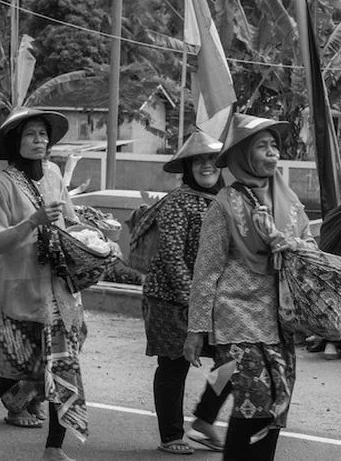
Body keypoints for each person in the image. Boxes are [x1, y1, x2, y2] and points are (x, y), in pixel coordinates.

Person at [0, 107, 87, 461]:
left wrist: (91, 235)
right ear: (16, 142)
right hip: (18, 294)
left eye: (43, 133)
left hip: (58, 292)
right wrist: (34, 221)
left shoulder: (56, 174)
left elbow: (69, 220)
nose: (39, 140)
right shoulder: (2, 185)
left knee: (63, 368)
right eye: (31, 134)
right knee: (13, 371)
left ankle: (54, 449)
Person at [184, 113, 315, 461]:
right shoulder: (223, 205)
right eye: (262, 146)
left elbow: (310, 247)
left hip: (279, 319)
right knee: (253, 403)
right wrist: (196, 329)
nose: (272, 153)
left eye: (275, 145)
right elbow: (206, 271)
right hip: (236, 317)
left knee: (276, 404)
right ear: (243, 154)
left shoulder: (289, 199)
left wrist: (289, 244)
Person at [142, 130, 232, 455]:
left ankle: (205, 418)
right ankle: (171, 435)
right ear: (188, 167)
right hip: (170, 298)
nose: (207, 166)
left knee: (233, 359)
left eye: (213, 159)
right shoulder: (178, 202)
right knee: (173, 366)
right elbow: (171, 256)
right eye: (200, 161)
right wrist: (193, 301)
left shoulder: (227, 201)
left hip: (213, 300)